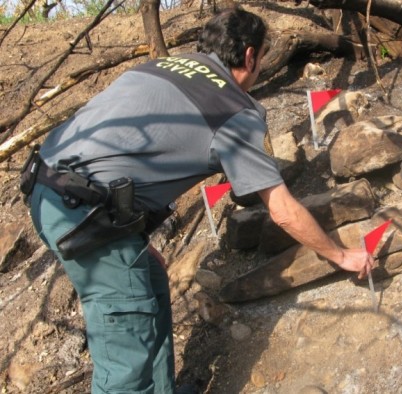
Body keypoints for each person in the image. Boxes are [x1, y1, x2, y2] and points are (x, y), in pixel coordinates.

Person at [22, 7, 374, 394]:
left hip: (46, 185)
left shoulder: (158, 68)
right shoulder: (233, 110)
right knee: (127, 353)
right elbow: (283, 211)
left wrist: (132, 237)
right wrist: (342, 255)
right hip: (84, 213)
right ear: (251, 56)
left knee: (150, 285)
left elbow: (119, 156)